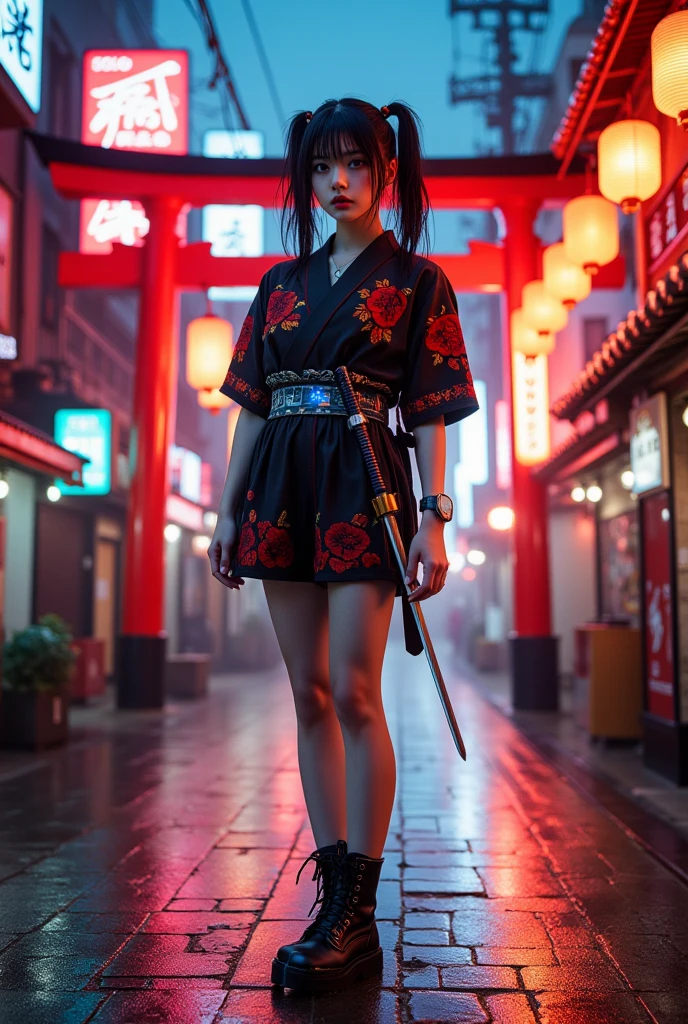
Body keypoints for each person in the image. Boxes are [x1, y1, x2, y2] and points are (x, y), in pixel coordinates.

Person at [208, 97, 478, 993]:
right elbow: (250, 404)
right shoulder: (279, 283)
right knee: (309, 691)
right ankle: (332, 893)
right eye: (323, 167)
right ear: (306, 178)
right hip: (282, 484)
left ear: (385, 172)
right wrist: (225, 506)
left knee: (359, 691)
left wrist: (434, 516)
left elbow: (435, 409)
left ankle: (358, 912)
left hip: (364, 481)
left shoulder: (419, 282)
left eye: (357, 164)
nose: (339, 181)